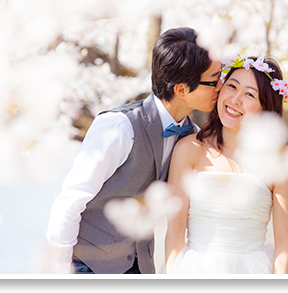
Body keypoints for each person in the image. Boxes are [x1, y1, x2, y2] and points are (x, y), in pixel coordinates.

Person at [45, 27, 222, 274]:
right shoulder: (119, 126)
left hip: (141, 266)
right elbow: (71, 199)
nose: (221, 86)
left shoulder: (192, 137)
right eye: (214, 81)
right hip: (86, 266)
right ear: (181, 89)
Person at [165, 55, 288, 274]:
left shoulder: (278, 164)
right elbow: (174, 233)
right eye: (232, 86)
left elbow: (284, 247)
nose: (235, 99)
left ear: (266, 108)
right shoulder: (189, 149)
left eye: (249, 94)